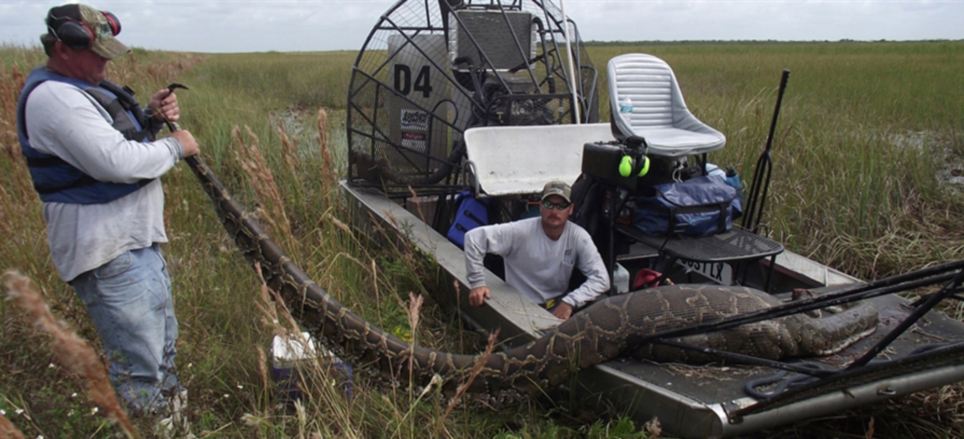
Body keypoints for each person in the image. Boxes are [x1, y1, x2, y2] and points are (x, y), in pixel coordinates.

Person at [16, 3, 199, 417]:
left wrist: (150, 119)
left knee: (162, 344)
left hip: (133, 242)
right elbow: (116, 163)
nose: (104, 63)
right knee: (141, 363)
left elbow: (118, 143)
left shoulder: (78, 88)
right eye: (96, 54)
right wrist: (176, 146)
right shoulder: (54, 98)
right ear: (63, 47)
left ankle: (173, 421)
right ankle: (149, 425)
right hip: (107, 251)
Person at [463, 180, 610, 320]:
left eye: (561, 206)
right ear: (540, 206)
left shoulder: (578, 236)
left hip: (558, 306)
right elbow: (473, 238)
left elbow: (602, 279)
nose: (554, 211)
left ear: (570, 209)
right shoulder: (520, 231)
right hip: (518, 307)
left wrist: (570, 302)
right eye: (549, 204)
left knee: (603, 304)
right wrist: (477, 283)